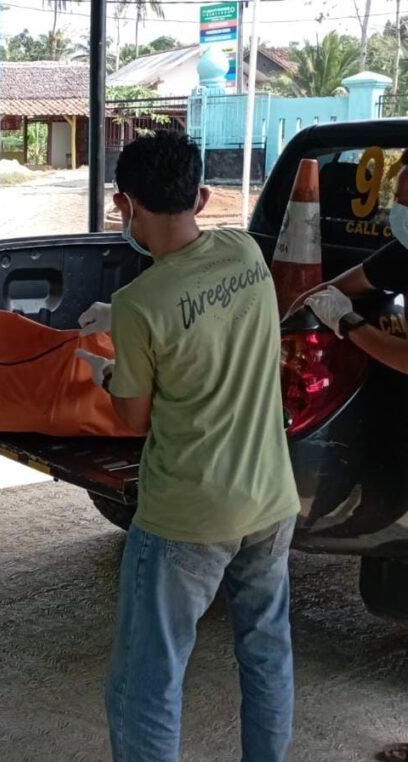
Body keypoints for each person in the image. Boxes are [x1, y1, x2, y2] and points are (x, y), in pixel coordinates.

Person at [75, 130, 300, 762]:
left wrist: (109, 368)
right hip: (270, 501)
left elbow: (133, 416)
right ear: (201, 197)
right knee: (266, 652)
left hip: (188, 517)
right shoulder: (247, 252)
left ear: (126, 205)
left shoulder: (138, 303)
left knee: (147, 682)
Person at [297, 161, 408, 762]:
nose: (399, 209)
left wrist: (351, 327)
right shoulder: (403, 249)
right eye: (398, 195)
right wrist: (320, 299)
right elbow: (349, 281)